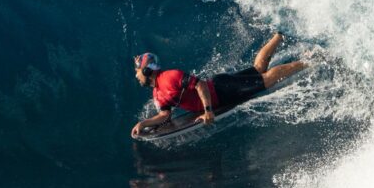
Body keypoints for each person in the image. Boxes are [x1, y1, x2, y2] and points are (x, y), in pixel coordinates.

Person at [131, 32, 306, 138]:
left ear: (146, 70)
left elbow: (200, 85)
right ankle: (279, 35)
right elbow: (164, 115)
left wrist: (208, 111)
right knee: (258, 69)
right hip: (220, 89)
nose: (136, 76)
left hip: (222, 90)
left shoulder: (170, 77)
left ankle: (307, 62)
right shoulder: (157, 93)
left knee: (266, 79)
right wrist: (143, 124)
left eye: (137, 71)